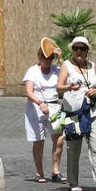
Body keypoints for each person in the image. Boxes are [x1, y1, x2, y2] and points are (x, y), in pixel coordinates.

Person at [57, 36, 96, 191]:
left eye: (82, 48)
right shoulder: (66, 66)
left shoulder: (92, 65)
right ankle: (73, 181)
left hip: (92, 112)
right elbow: (59, 88)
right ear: (72, 50)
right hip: (73, 115)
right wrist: (68, 87)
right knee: (73, 149)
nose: (79, 51)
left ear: (87, 51)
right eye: (76, 48)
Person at [23, 43, 65, 183]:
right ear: (39, 57)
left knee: (59, 137)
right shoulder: (33, 71)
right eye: (44, 58)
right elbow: (28, 91)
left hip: (54, 106)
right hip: (36, 107)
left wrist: (60, 58)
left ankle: (55, 170)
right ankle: (39, 172)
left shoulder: (56, 69)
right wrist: (40, 103)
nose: (47, 61)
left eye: (50, 58)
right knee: (39, 140)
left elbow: (68, 75)